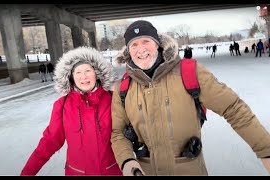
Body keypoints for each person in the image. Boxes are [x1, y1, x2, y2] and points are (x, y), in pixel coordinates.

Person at [110, 20, 270, 176]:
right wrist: (127, 161)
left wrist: (266, 150)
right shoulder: (123, 87)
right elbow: (118, 133)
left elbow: (233, 109)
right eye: (134, 45)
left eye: (146, 41)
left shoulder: (190, 72)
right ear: (128, 51)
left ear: (157, 44)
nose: (141, 49)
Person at [20, 46, 122, 176]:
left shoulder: (114, 99)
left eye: (87, 71)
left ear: (97, 73)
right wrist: (27, 173)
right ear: (71, 77)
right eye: (78, 72)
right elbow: (50, 142)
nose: (83, 76)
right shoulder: (62, 105)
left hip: (113, 172)